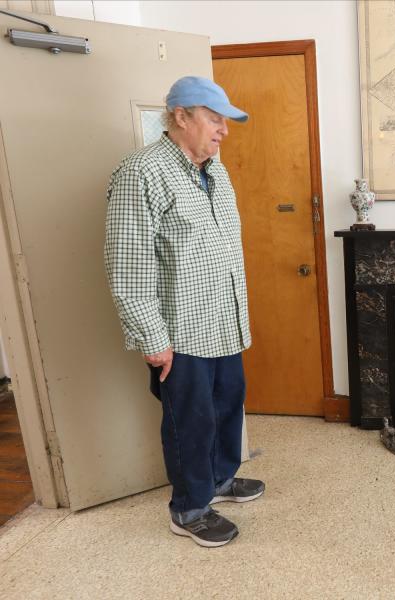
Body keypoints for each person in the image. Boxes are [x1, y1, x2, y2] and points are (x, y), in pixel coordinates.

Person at [104, 76, 264, 548]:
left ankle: (219, 480)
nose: (223, 131)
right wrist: (151, 337)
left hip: (224, 320)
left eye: (226, 122)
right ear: (181, 117)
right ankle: (190, 509)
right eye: (215, 120)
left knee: (227, 404)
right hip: (180, 331)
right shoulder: (141, 172)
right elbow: (129, 264)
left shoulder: (216, 169)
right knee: (189, 419)